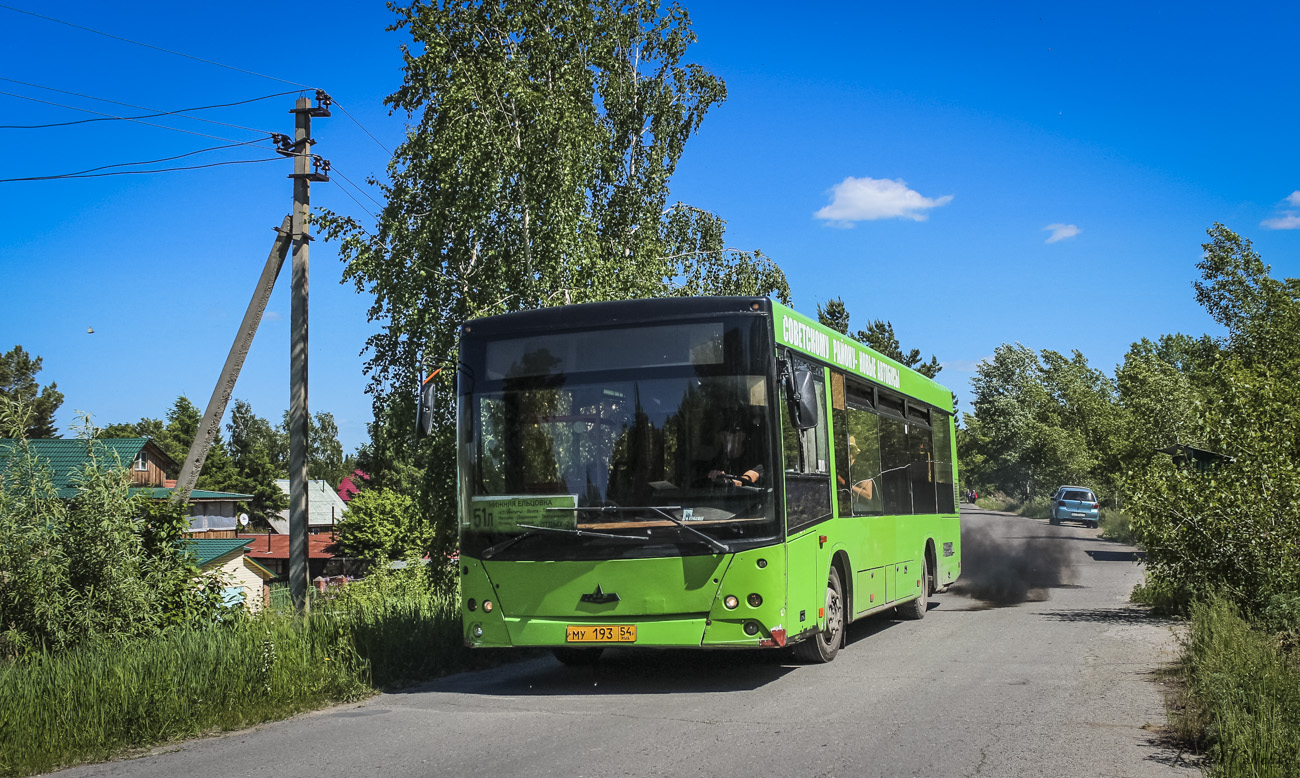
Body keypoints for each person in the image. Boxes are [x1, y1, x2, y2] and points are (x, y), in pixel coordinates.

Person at [704, 419, 764, 488]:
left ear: (741, 436)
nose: (723, 440)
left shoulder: (755, 461)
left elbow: (746, 480)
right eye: (721, 436)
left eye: (726, 436)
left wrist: (728, 482)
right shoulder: (717, 461)